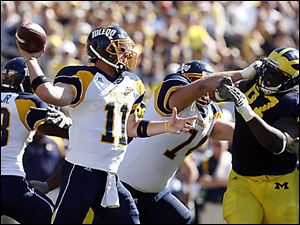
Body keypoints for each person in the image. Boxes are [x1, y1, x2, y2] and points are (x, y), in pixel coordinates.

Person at [17, 24, 197, 224]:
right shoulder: (82, 76)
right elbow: (50, 95)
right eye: (120, 48)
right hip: (81, 172)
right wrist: (30, 60)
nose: (126, 53)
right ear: (102, 49)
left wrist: (166, 127)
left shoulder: (134, 83)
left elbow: (132, 128)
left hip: (111, 175)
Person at [117, 59, 259, 224]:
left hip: (156, 191)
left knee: (182, 218)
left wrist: (268, 132)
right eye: (202, 81)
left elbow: (238, 132)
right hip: (126, 183)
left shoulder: (209, 113)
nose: (208, 90)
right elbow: (202, 86)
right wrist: (242, 74)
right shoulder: (172, 94)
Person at [215, 47, 299, 224]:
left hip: (280, 183)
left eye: (277, 76)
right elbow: (211, 92)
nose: (268, 78)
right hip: (242, 181)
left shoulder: (292, 103)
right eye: (268, 70)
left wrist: (246, 111)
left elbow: (278, 144)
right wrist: (241, 74)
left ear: (291, 82)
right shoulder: (253, 81)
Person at [1, 57, 71, 224]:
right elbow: (49, 129)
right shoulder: (26, 102)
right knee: (53, 218)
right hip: (10, 182)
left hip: (11, 181)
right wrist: (70, 124)